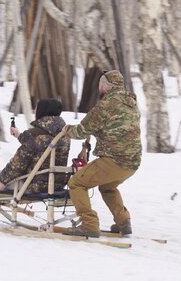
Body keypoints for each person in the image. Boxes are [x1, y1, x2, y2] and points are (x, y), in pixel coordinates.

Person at [61, 70, 142, 238]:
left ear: (105, 86)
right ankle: (123, 222)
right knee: (107, 187)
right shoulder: (130, 101)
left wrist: (66, 130)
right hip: (132, 162)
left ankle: (89, 224)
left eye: (100, 84)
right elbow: (116, 126)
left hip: (114, 160)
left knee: (76, 183)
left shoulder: (106, 104)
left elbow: (81, 131)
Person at [0, 99, 70, 202]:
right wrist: (20, 136)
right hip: (56, 185)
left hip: (34, 186)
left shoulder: (34, 135)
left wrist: (3, 181)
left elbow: (18, 163)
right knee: (1, 177)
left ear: (42, 111)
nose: (34, 111)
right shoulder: (64, 135)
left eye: (36, 109)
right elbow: (40, 146)